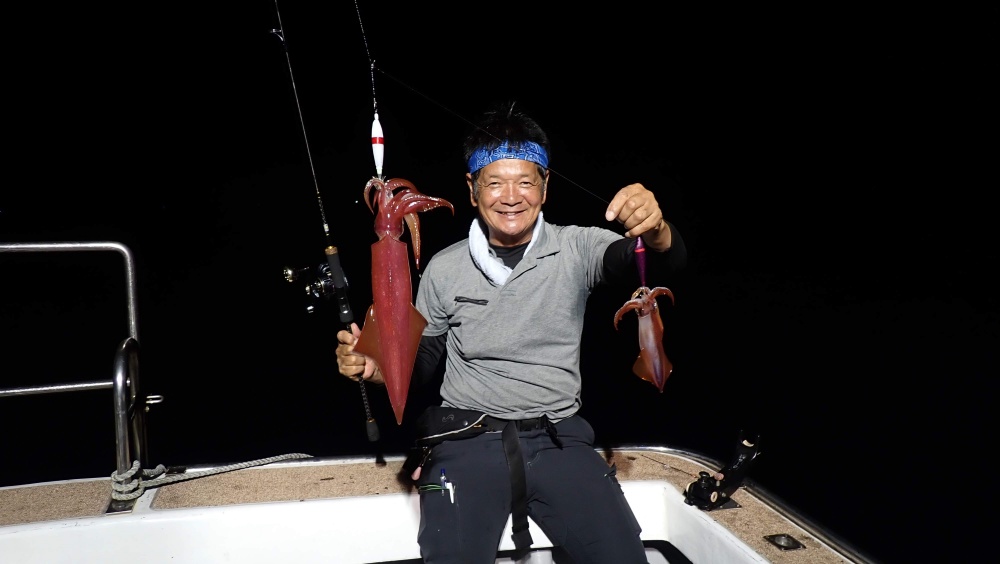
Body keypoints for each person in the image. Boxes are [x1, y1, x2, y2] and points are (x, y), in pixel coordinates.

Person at [335, 101, 687, 564]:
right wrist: (377, 367)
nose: (511, 196)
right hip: (465, 439)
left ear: (545, 186)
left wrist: (656, 229)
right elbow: (422, 363)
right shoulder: (444, 268)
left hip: (560, 438)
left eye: (525, 181)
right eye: (495, 182)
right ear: (472, 189)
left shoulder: (577, 248)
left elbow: (654, 262)